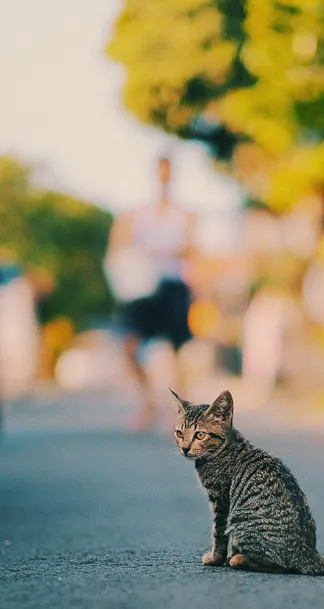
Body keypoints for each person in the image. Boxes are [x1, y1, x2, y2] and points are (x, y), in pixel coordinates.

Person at [104, 155, 196, 432]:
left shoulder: (184, 214)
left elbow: (192, 248)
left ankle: (182, 413)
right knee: (129, 346)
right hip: (141, 288)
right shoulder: (136, 214)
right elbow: (117, 247)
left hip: (172, 285)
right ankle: (148, 403)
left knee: (176, 351)